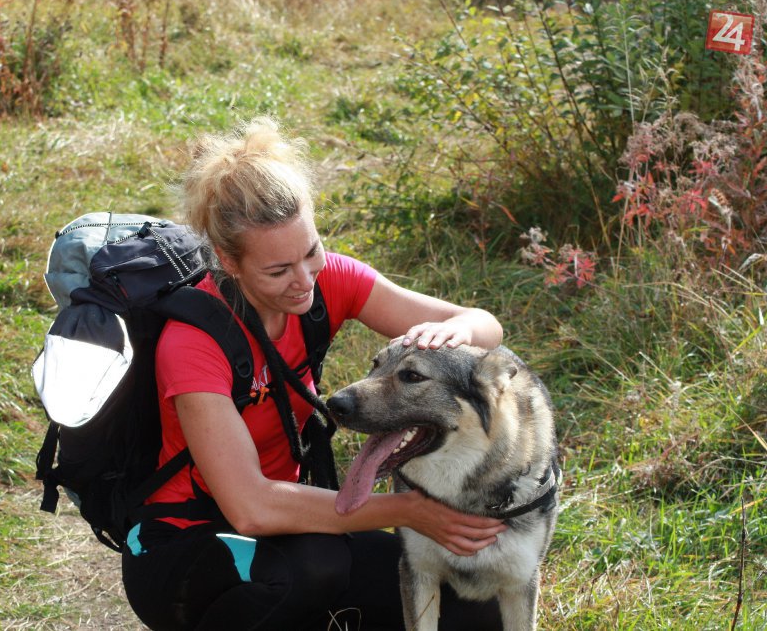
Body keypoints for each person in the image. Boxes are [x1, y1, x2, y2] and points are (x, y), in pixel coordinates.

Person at [121, 117, 506, 630]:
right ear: (229, 262)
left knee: (474, 606)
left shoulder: (329, 280)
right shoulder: (193, 343)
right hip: (182, 547)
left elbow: (486, 326)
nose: (304, 281)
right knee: (314, 568)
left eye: (310, 252)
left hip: (288, 529)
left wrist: (452, 331)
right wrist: (410, 511)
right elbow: (252, 508)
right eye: (278, 271)